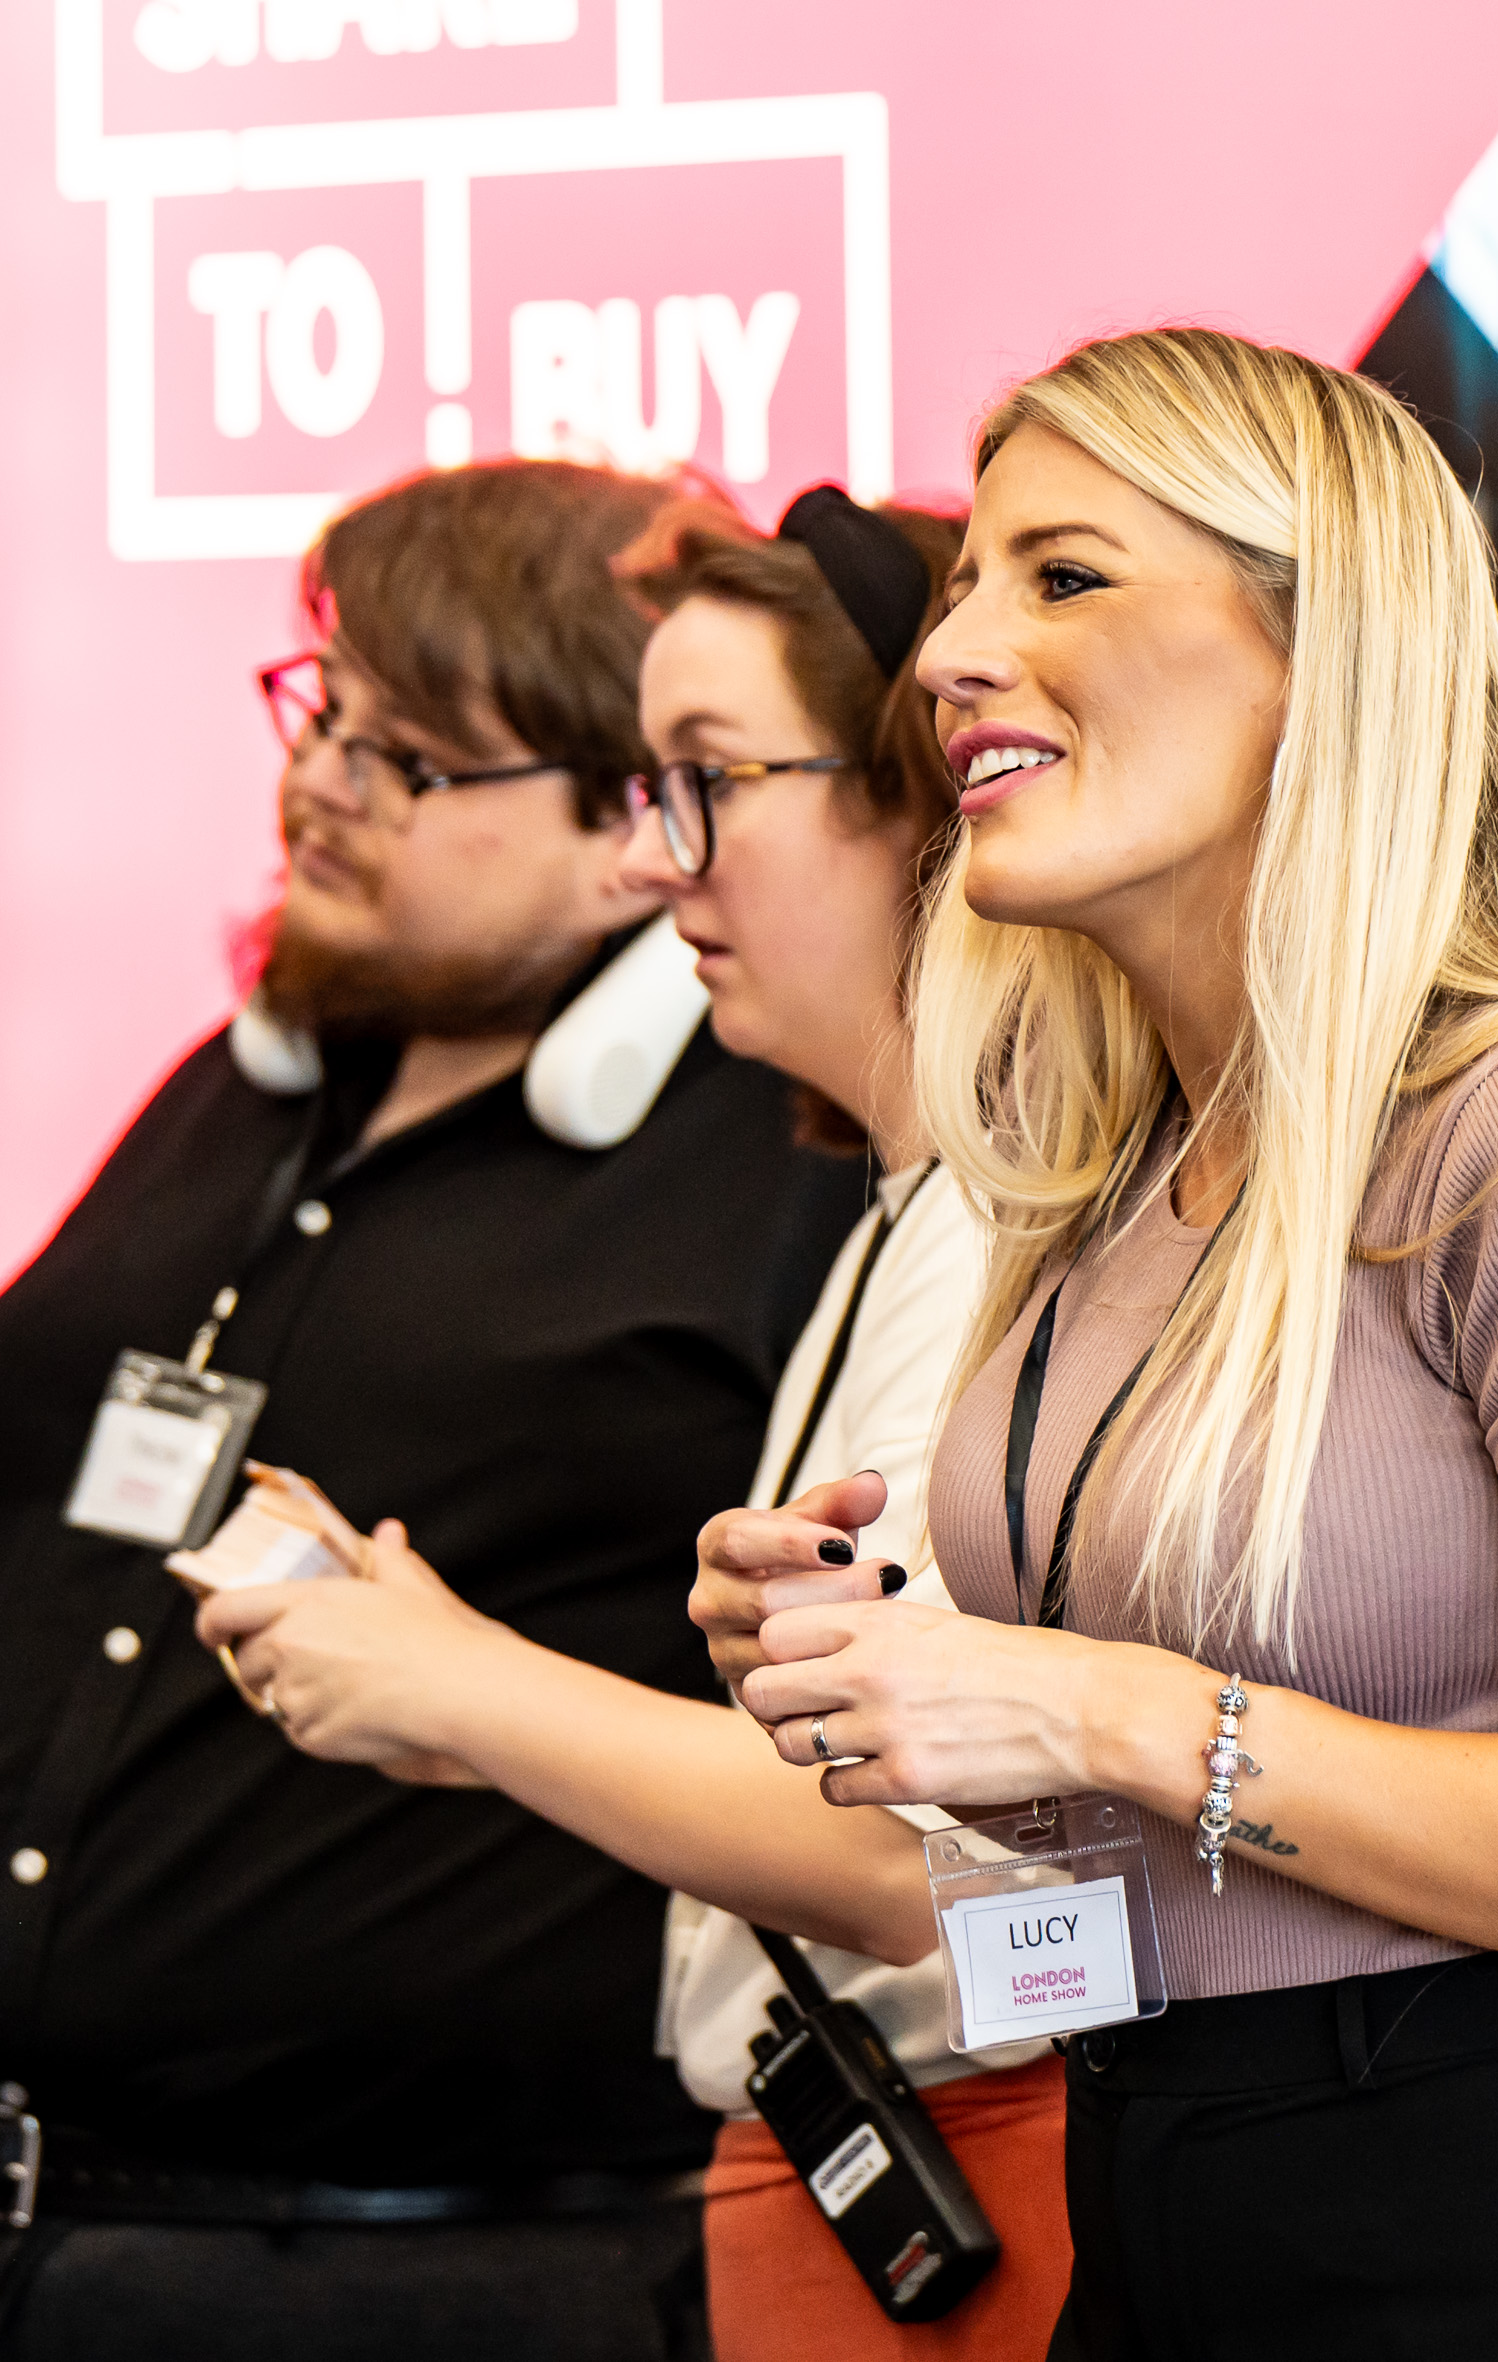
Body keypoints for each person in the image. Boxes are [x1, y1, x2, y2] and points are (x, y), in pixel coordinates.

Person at [716, 327, 1498, 2360]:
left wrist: (1101, 1712)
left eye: (1062, 576)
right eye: (966, 588)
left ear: (1323, 651)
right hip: (1160, 2197)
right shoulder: (1108, 1182)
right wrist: (874, 1680)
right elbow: (1164, 1846)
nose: (954, 653)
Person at [0, 459, 860, 2362]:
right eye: (323, 714)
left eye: (411, 757)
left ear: (632, 818)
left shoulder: (788, 1160)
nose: (319, 782)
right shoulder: (236, 1095)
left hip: (437, 2281)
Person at [200, 480, 1082, 2361]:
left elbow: (903, 1854)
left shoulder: (1010, 1226)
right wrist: (455, 1685)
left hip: (978, 2166)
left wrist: (465, 1686)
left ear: (923, 800)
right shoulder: (908, 1214)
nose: (657, 865)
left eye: (705, 782)